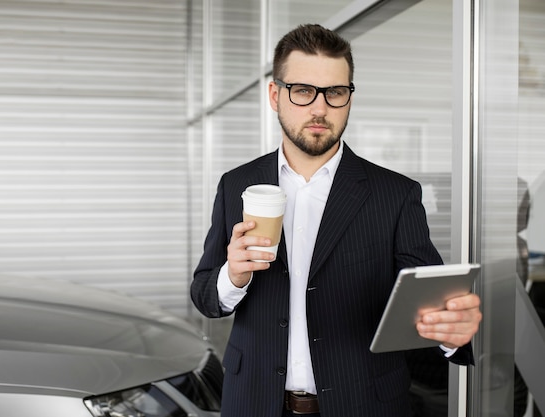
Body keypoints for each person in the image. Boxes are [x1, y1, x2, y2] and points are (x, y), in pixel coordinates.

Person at [191, 24, 482, 417]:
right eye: (303, 90)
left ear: (348, 97)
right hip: (254, 401)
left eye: (336, 93)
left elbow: (427, 307)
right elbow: (205, 296)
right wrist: (233, 276)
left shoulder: (395, 195)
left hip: (364, 404)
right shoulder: (237, 185)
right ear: (276, 95)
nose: (319, 108)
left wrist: (452, 334)